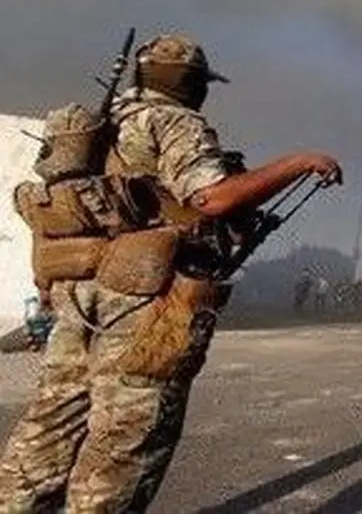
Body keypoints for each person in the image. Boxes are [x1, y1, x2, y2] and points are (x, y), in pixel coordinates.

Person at [0, 33, 342, 512]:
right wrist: (298, 162)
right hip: (142, 301)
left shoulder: (93, 125)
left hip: (77, 293)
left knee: (53, 422)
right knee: (128, 436)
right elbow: (211, 197)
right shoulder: (174, 121)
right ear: (192, 84)